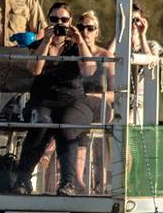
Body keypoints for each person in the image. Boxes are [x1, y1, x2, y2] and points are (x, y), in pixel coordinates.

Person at [13, 2, 98, 196]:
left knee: (67, 126)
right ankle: (22, 179)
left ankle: (67, 183)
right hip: (43, 101)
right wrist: (46, 42)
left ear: (70, 22)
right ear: (48, 22)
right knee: (41, 124)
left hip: (73, 101)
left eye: (64, 20)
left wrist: (80, 41)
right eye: (54, 19)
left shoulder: (77, 46)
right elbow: (35, 69)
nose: (59, 23)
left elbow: (89, 70)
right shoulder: (38, 46)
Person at [38, 10, 115, 194]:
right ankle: (75, 181)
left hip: (98, 105)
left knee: (73, 116)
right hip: (75, 107)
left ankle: (50, 150)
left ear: (97, 31)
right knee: (70, 119)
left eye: (90, 28)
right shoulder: (72, 51)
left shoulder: (105, 56)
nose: (85, 31)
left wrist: (93, 96)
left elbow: (115, 93)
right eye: (81, 27)